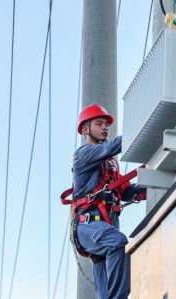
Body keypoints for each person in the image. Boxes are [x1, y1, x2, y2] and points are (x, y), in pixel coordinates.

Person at [69, 104, 146, 299]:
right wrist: (139, 128)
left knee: (105, 289)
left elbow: (126, 190)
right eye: (99, 123)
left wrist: (151, 184)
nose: (105, 128)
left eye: (107, 125)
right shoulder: (84, 154)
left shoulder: (110, 164)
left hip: (103, 226)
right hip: (89, 225)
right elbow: (111, 147)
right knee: (118, 242)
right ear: (85, 129)